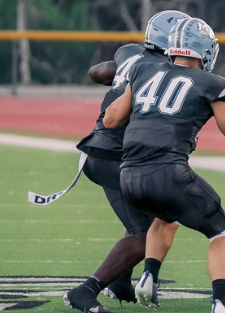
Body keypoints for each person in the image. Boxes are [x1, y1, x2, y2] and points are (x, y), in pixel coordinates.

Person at [102, 17, 225, 313]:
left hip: (128, 174)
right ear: (205, 50)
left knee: (165, 216)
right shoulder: (213, 84)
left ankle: (148, 276)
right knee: (221, 230)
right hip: (168, 170)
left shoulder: (143, 68)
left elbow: (111, 119)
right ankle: (221, 305)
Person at [63, 10, 190, 313]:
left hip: (101, 149)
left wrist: (120, 75)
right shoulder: (162, 70)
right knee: (147, 233)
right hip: (114, 156)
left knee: (152, 215)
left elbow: (97, 71)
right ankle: (86, 290)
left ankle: (120, 283)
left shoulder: (131, 53)